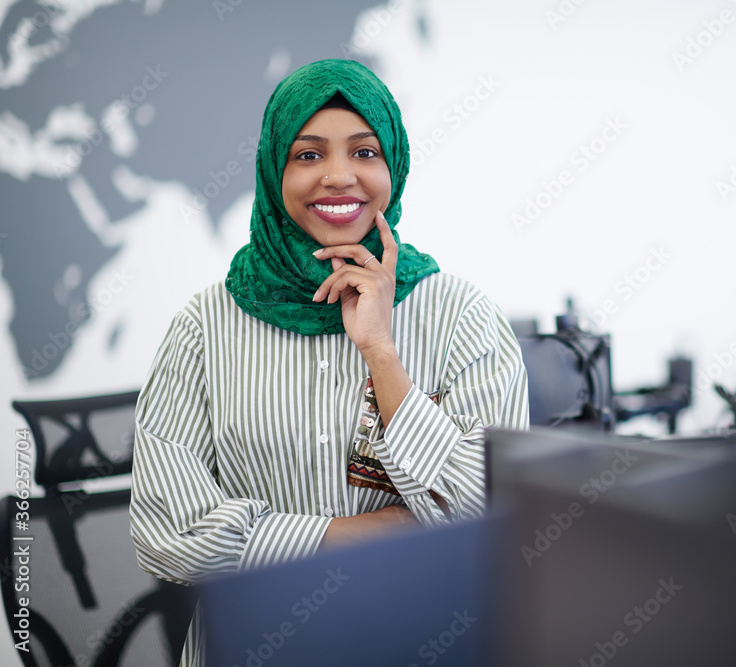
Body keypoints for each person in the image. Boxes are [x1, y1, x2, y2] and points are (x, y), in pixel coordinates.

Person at [129, 59, 529, 666]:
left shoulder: (461, 317)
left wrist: (382, 354)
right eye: (309, 155)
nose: (340, 177)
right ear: (273, 171)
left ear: (392, 164)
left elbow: (493, 520)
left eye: (364, 152)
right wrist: (350, 537)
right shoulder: (204, 327)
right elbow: (168, 536)